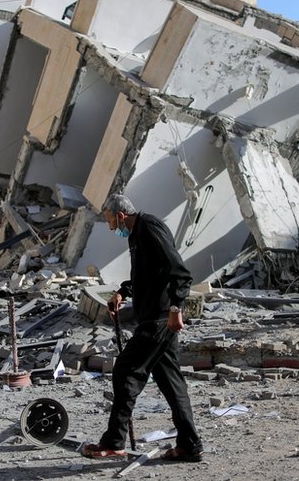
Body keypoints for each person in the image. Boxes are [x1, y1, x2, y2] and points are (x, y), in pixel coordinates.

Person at [81, 194, 203, 462]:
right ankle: (189, 446)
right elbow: (149, 275)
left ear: (121, 215)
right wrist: (123, 291)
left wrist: (175, 309)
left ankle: (114, 442)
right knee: (171, 383)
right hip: (155, 318)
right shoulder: (137, 235)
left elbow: (179, 272)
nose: (112, 228)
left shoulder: (149, 227)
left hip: (159, 319)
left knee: (126, 370)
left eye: (111, 222)